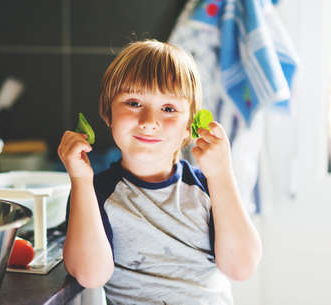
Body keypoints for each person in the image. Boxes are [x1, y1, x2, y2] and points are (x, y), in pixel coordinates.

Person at [58, 39, 262, 305]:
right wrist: (80, 181)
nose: (149, 122)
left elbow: (242, 267)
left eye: (168, 109)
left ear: (190, 126)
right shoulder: (93, 193)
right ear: (108, 114)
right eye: (133, 103)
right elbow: (89, 275)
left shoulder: (208, 189)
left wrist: (222, 174)